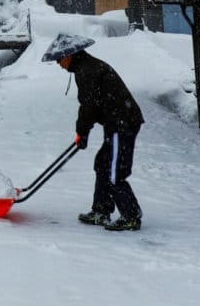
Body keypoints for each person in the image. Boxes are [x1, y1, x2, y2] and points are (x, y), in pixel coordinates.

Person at [42, 33, 144, 231]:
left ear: (70, 54)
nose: (58, 64)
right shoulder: (86, 67)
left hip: (122, 124)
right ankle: (101, 210)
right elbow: (93, 106)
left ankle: (131, 216)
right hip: (116, 123)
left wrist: (82, 132)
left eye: (59, 59)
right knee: (103, 164)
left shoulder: (88, 71)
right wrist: (84, 134)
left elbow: (88, 107)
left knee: (115, 171)